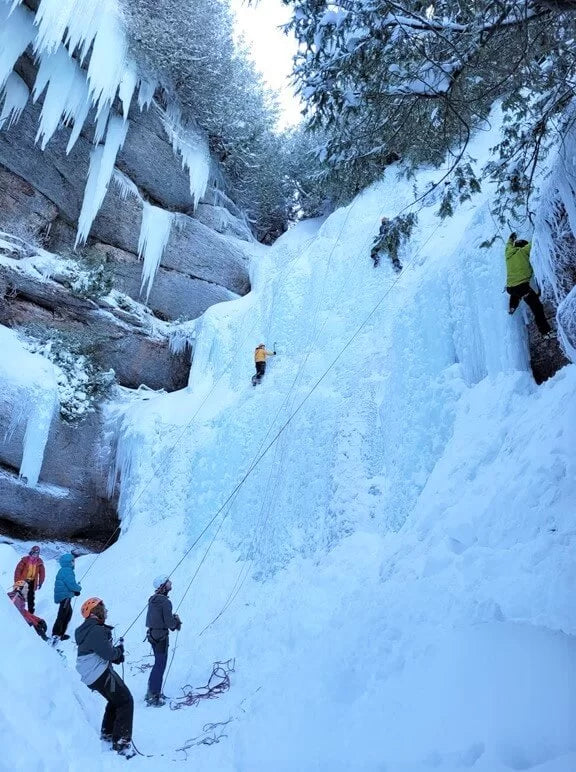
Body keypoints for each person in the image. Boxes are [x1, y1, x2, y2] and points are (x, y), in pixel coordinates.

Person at [75, 597, 135, 758]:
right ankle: (122, 743)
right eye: (103, 608)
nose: (106, 611)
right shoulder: (96, 630)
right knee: (125, 701)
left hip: (93, 675)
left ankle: (107, 734)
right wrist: (118, 653)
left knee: (115, 701)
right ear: (96, 612)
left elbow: (102, 651)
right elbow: (108, 653)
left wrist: (116, 653)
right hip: (99, 673)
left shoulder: (88, 629)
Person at [145, 576, 182, 707]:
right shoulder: (165, 602)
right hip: (160, 637)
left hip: (152, 634)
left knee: (157, 664)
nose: (170, 583)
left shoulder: (153, 599)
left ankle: (151, 692)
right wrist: (176, 621)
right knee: (160, 665)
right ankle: (153, 695)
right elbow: (170, 624)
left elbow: (157, 617)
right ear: (163, 586)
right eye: (168, 582)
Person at [505, 233, 551, 335]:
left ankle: (512, 306)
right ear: (522, 246)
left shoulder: (508, 254)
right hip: (522, 287)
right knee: (537, 307)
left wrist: (511, 238)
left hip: (510, 287)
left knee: (516, 293)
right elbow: (533, 242)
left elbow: (508, 245)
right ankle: (546, 332)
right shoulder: (524, 251)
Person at [52, 553, 82, 642]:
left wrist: (74, 591)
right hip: (65, 597)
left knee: (68, 613)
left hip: (65, 596)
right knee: (62, 615)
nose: (74, 563)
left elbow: (68, 585)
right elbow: (71, 584)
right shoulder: (67, 571)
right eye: (72, 561)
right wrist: (78, 589)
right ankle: (56, 634)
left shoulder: (63, 570)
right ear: (68, 562)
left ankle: (60, 633)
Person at [14, 545, 45, 614]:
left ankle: (31, 612)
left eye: (37, 554)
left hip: (32, 582)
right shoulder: (25, 560)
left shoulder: (39, 562)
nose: (35, 555)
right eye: (34, 553)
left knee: (31, 597)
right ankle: (17, 609)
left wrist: (40, 582)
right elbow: (18, 571)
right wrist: (17, 581)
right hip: (23, 581)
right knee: (20, 595)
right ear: (31, 552)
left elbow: (42, 573)